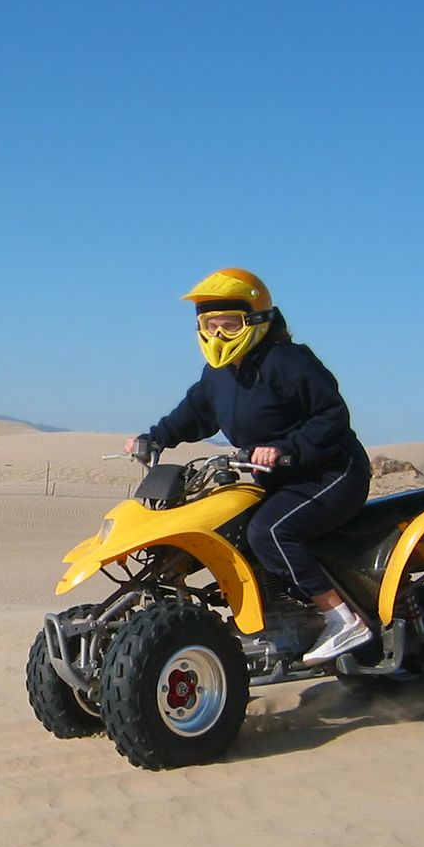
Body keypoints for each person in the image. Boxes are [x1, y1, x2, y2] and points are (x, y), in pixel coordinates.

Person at [125, 267, 373, 664]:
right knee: (226, 527)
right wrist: (155, 437)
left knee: (270, 531)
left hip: (331, 473)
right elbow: (193, 414)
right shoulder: (218, 375)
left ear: (257, 320)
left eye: (230, 324)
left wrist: (283, 447)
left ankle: (341, 618)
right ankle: (277, 614)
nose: (219, 335)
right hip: (277, 480)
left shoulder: (289, 363)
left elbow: (331, 418)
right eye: (210, 325)